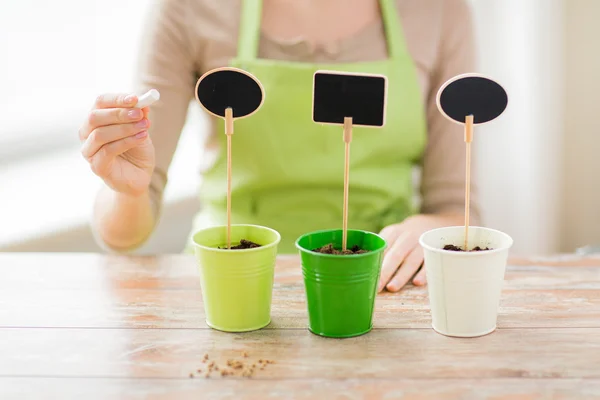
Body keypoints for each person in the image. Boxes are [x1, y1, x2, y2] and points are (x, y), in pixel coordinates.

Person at [79, 0, 480, 293]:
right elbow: (125, 235)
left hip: (380, 282)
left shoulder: (440, 10)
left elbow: (456, 204)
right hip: (229, 275)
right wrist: (127, 189)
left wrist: (430, 229)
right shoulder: (188, 8)